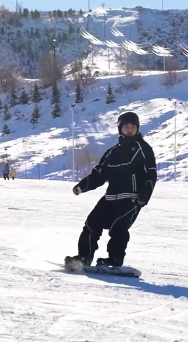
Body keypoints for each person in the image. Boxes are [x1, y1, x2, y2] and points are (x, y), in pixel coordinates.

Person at [65, 112, 157, 268]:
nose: (129, 130)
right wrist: (82, 186)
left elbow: (151, 175)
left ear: (137, 128)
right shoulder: (112, 152)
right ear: (120, 128)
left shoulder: (144, 149)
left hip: (131, 199)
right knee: (91, 223)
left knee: (118, 227)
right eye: (126, 126)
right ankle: (84, 258)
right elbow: (99, 175)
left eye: (132, 127)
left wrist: (144, 197)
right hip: (110, 198)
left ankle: (115, 260)